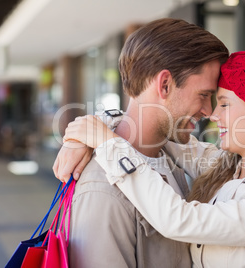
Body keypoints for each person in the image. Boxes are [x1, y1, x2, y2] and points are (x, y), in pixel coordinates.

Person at [57, 50, 245, 267]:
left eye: (224, 104)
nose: (213, 115)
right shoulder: (228, 165)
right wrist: (90, 130)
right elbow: (151, 130)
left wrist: (104, 141)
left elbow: (179, 220)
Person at [53, 17, 229, 267]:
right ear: (165, 84)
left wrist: (95, 126)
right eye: (203, 95)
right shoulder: (103, 188)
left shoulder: (170, 154)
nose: (209, 111)